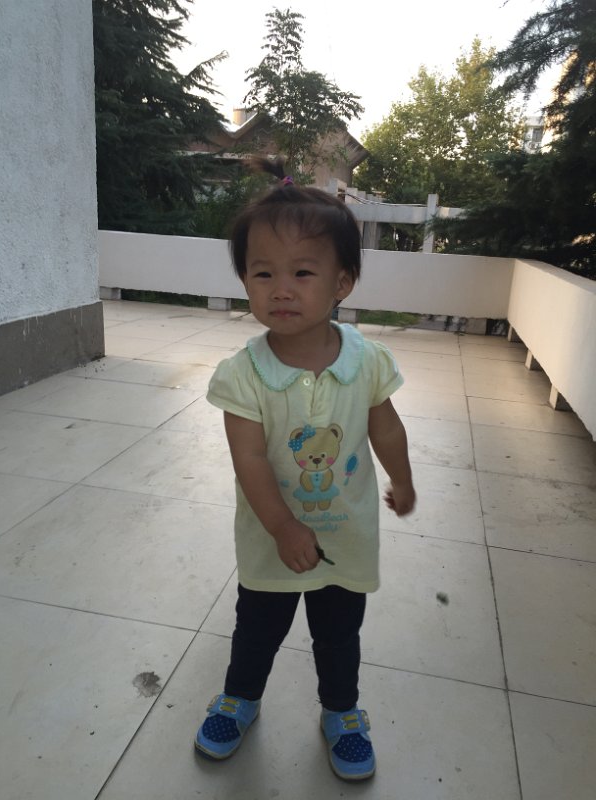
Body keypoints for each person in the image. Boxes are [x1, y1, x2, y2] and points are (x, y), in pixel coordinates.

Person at [194, 157, 416, 781]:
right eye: (263, 272)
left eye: (302, 272)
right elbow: (249, 457)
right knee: (257, 628)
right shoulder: (243, 374)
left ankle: (341, 712)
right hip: (271, 540)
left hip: (347, 535)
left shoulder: (368, 362)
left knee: (339, 635)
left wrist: (402, 479)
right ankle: (239, 699)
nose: (281, 289)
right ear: (245, 279)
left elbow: (385, 427)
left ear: (342, 282)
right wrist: (284, 527)